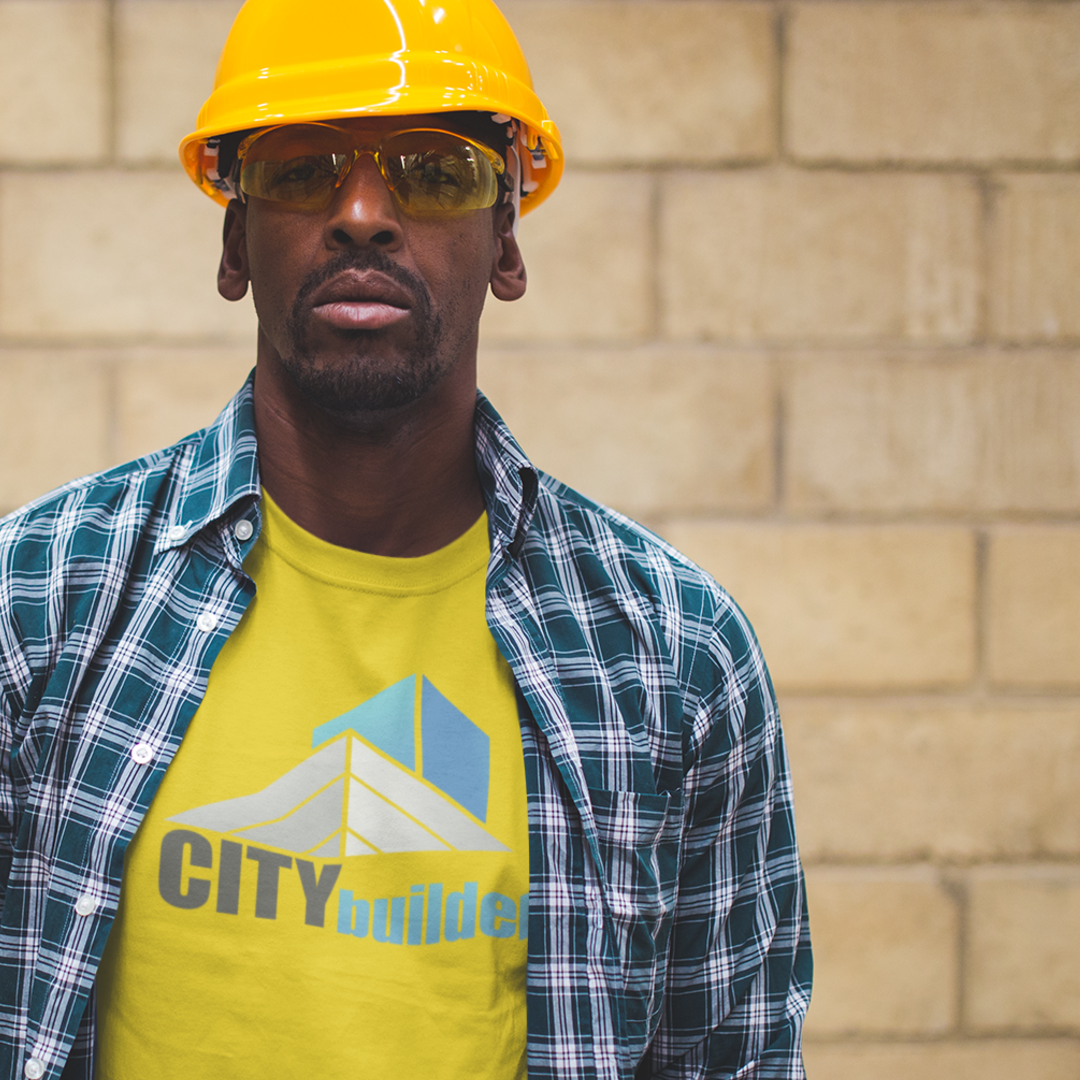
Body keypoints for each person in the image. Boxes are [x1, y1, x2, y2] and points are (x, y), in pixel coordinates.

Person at [0, 1, 811, 1077]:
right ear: (236, 237)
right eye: (301, 168)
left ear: (506, 240)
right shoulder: (37, 602)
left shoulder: (672, 655)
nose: (365, 214)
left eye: (434, 171)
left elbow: (736, 1059)